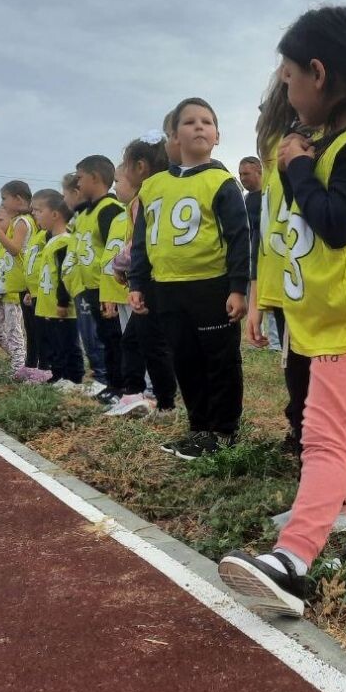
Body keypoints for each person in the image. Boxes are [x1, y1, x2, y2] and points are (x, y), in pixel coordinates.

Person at [218, 5, 346, 617]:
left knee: (323, 439)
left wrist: (299, 167)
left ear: (319, 73)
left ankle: (292, 559)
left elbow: (334, 223)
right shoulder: (343, 143)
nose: (287, 91)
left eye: (290, 78)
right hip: (339, 317)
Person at [127, 97, 250, 459]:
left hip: (211, 286)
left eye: (207, 122)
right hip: (167, 288)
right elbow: (142, 241)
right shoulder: (152, 187)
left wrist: (238, 287)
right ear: (174, 136)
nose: (199, 126)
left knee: (220, 360)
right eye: (190, 121)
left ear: (217, 136)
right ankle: (199, 427)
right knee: (185, 359)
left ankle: (224, 431)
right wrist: (137, 283)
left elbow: (239, 238)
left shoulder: (221, 182)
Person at [245, 70, 309, 455]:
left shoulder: (312, 146)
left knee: (317, 378)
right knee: (297, 375)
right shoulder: (274, 157)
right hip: (283, 286)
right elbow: (264, 237)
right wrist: (256, 299)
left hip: (312, 283)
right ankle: (301, 435)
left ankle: (313, 445)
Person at [104, 136, 178, 417]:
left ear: (140, 167)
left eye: (122, 171)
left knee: (147, 343)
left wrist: (118, 265)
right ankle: (139, 394)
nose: (116, 183)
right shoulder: (161, 194)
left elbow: (138, 245)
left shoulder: (144, 199)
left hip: (150, 281)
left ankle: (159, 400)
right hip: (155, 279)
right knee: (140, 341)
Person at [73, 155, 122, 399]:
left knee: (114, 339)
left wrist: (110, 292)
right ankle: (111, 385)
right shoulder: (84, 214)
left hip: (108, 290)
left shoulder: (110, 209)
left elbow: (115, 253)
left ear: (95, 178)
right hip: (91, 288)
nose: (77, 183)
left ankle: (121, 387)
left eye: (80, 177)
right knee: (103, 337)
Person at [30, 189, 84, 387]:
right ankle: (58, 374)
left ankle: (73, 378)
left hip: (61, 307)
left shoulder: (64, 241)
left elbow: (64, 275)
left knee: (67, 343)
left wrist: (63, 301)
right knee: (52, 342)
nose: (34, 214)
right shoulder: (50, 240)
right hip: (47, 305)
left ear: (54, 214)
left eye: (38, 210)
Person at [0, 181, 35, 373]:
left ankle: (20, 366)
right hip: (6, 287)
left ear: (18, 199)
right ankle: (20, 359)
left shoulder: (22, 222)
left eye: (4, 198)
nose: (2, 203)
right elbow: (0, 268)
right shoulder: (12, 227)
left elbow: (15, 250)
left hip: (17, 287)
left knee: (16, 331)